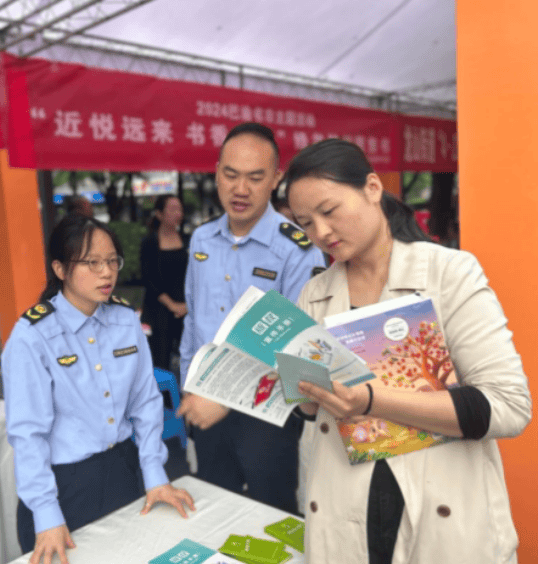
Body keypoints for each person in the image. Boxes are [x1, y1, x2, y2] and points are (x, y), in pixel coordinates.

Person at [285, 138, 531, 564]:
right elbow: (310, 413)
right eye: (306, 223)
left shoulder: (449, 273)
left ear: (372, 188)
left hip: (443, 515)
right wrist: (303, 392)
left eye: (329, 211)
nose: (320, 233)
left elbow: (508, 406)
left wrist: (370, 399)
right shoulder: (315, 294)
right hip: (345, 513)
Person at [2, 215, 195, 564]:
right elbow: (28, 435)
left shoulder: (124, 320)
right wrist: (46, 515)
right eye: (92, 263)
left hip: (122, 469)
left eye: (111, 261)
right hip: (64, 487)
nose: (106, 273)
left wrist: (154, 474)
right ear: (60, 269)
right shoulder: (33, 336)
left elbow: (146, 402)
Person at [177, 122, 326, 514]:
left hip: (268, 414)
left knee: (270, 515)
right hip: (205, 404)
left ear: (276, 179)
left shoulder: (297, 250)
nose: (240, 189)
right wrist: (190, 387)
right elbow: (194, 323)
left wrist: (224, 398)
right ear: (216, 172)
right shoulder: (202, 240)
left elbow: (296, 346)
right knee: (215, 511)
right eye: (230, 174)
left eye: (255, 178)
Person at [140, 195, 189, 374]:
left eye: (180, 209)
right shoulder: (150, 243)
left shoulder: (188, 240)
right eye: (173, 209)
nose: (178, 213)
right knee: (159, 359)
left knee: (189, 356)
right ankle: (163, 399)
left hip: (186, 308)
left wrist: (186, 305)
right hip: (158, 308)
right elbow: (149, 278)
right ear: (159, 214)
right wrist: (172, 305)